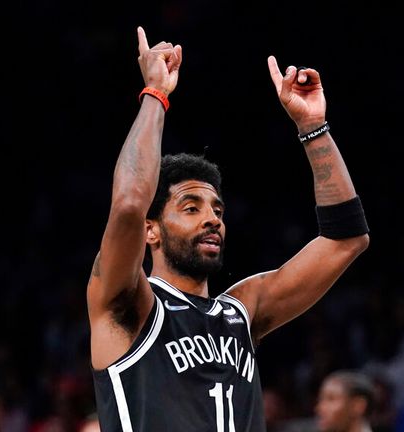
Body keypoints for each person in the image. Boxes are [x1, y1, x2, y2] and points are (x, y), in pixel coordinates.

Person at [86, 26, 370, 432]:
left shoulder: (241, 311)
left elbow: (346, 239)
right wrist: (156, 94)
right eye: (191, 208)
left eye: (217, 209)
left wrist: (313, 127)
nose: (212, 218)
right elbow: (130, 203)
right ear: (151, 231)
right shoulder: (130, 303)